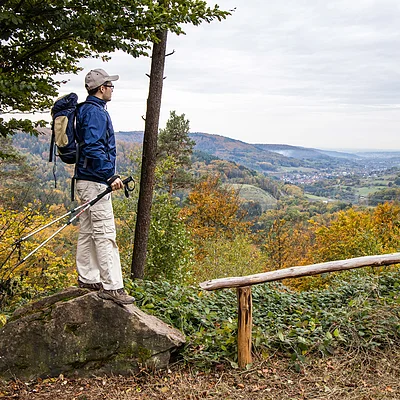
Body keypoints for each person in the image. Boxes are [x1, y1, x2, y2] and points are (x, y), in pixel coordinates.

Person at [75, 68, 135, 305]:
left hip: (84, 179)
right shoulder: (96, 113)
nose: (112, 89)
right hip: (95, 181)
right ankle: (112, 286)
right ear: (101, 88)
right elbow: (93, 147)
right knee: (105, 233)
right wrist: (110, 175)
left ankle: (88, 278)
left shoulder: (84, 110)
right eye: (111, 86)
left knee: (88, 230)